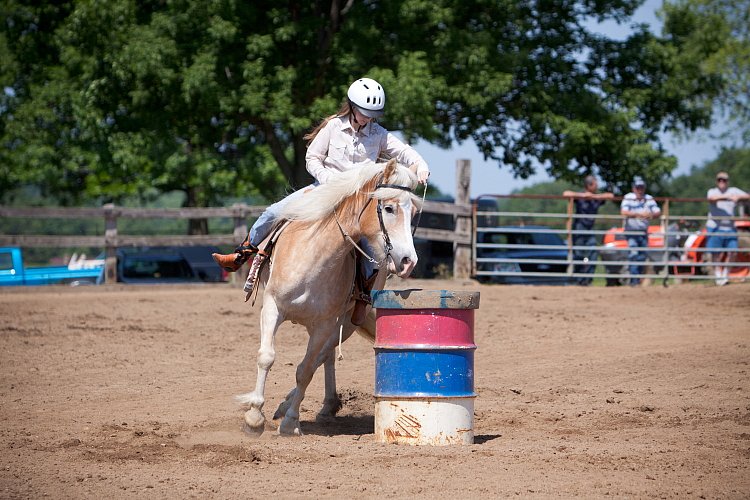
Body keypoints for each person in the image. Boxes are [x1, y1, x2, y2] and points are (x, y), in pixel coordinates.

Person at [212, 77, 430, 320]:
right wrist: (328, 180)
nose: (368, 118)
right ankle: (244, 252)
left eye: (373, 114)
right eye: (365, 112)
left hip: (358, 203)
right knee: (274, 211)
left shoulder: (379, 134)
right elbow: (312, 158)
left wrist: (420, 165)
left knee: (373, 256)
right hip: (324, 189)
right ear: (352, 106)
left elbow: (404, 152)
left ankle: (363, 297)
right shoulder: (333, 127)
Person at [563, 176, 614, 285]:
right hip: (579, 227)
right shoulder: (581, 196)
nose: (597, 186)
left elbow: (610, 196)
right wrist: (583, 195)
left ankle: (588, 279)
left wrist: (595, 196)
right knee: (578, 254)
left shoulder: (596, 198)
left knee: (593, 253)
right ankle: (578, 280)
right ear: (589, 185)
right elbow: (566, 193)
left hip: (589, 229)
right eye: (595, 184)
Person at [706, 171, 749, 286]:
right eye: (720, 180)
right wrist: (728, 197)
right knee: (715, 253)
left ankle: (725, 273)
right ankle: (718, 276)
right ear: (716, 181)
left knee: (733, 251)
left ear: (727, 181)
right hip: (715, 227)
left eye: (724, 180)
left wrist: (738, 196)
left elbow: (747, 196)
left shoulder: (733, 190)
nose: (722, 182)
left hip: (730, 227)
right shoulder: (712, 191)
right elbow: (711, 198)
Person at [620, 176, 661, 286]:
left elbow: (658, 212)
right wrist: (638, 214)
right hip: (631, 232)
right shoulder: (628, 197)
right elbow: (624, 212)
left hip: (643, 232)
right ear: (634, 188)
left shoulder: (649, 198)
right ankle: (634, 281)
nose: (639, 190)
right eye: (638, 188)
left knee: (642, 256)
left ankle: (637, 279)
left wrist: (650, 215)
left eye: (641, 188)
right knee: (633, 254)